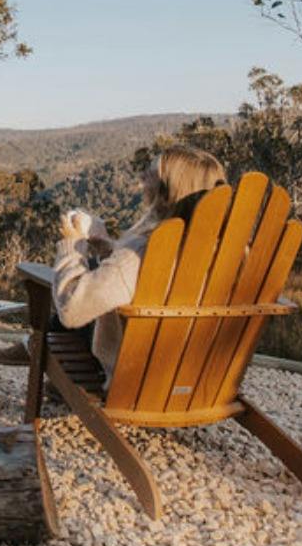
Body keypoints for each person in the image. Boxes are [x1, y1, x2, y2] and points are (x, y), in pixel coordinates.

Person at [50, 145, 228, 380]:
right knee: (95, 275)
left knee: (68, 301)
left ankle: (34, 349)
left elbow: (72, 310)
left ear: (168, 193)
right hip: (200, 380)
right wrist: (109, 247)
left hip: (135, 380)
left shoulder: (143, 252)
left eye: (151, 174)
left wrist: (73, 245)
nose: (142, 177)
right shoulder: (230, 252)